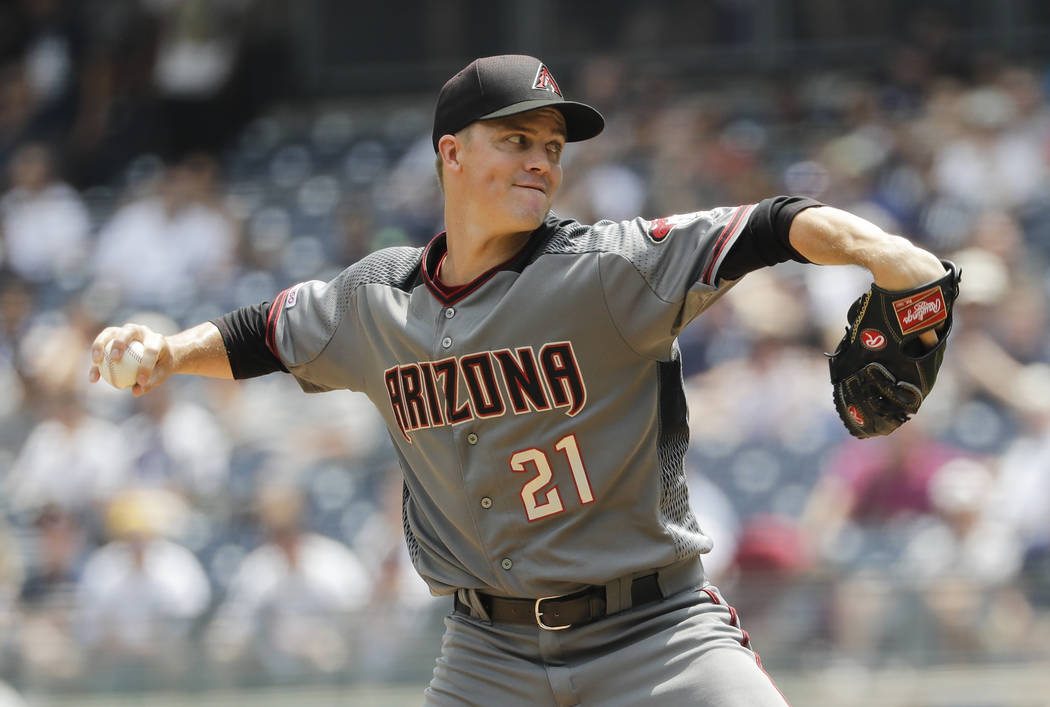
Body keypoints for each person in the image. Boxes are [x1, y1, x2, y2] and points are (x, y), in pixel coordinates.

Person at [89, 54, 949, 705]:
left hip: (656, 634)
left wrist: (891, 255)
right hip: (484, 655)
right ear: (452, 153)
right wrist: (168, 349)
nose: (542, 159)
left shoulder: (607, 269)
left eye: (551, 146)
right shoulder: (376, 299)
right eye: (516, 140)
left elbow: (769, 224)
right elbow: (260, 333)